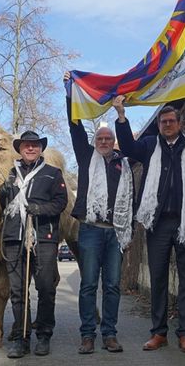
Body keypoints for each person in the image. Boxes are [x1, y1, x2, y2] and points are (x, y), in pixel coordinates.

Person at [113, 96, 185, 353]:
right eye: (163, 121)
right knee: (158, 279)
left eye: (171, 121)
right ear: (158, 124)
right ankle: (158, 333)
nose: (167, 124)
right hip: (158, 224)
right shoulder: (148, 146)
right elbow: (127, 147)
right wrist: (122, 117)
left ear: (180, 123)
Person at [65, 92, 134, 354]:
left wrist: (129, 234)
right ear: (95, 142)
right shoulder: (85, 157)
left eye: (108, 139)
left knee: (113, 285)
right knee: (89, 284)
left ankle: (110, 334)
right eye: (100, 139)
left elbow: (131, 201)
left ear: (113, 142)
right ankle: (87, 335)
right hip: (91, 231)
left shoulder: (123, 166)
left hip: (116, 233)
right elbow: (75, 127)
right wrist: (70, 93)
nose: (104, 141)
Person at [0, 130, 68, 358]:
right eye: (26, 145)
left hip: (43, 237)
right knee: (18, 292)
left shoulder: (52, 173)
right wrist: (3, 193)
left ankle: (44, 334)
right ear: (19, 148)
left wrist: (39, 209)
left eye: (35, 145)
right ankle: (21, 337)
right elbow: (4, 206)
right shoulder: (11, 174)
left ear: (40, 149)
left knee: (46, 288)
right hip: (14, 238)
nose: (30, 148)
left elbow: (60, 202)